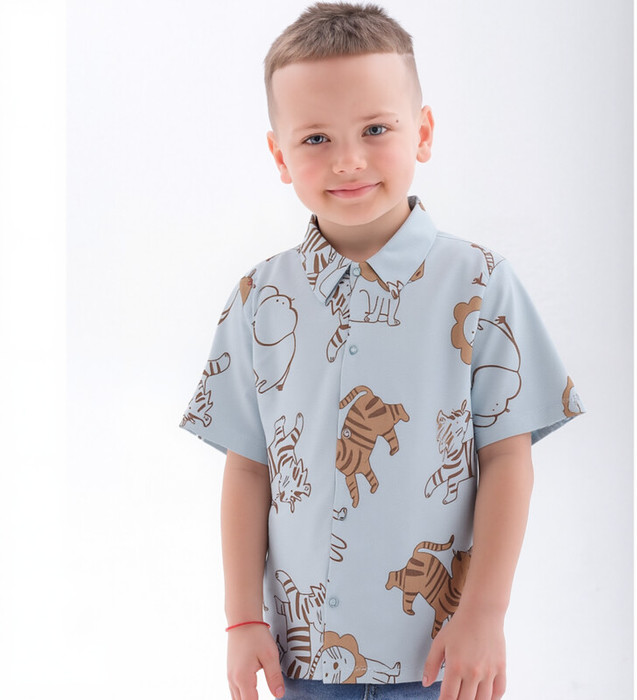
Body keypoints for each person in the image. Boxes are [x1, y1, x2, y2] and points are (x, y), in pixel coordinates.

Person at [179, 3, 585, 699]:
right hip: (303, 660)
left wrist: (485, 614)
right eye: (315, 138)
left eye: (375, 129)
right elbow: (248, 467)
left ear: (421, 133)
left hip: (440, 658)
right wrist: (242, 618)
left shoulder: (481, 283)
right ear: (279, 156)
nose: (348, 160)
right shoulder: (258, 298)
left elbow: (507, 459)